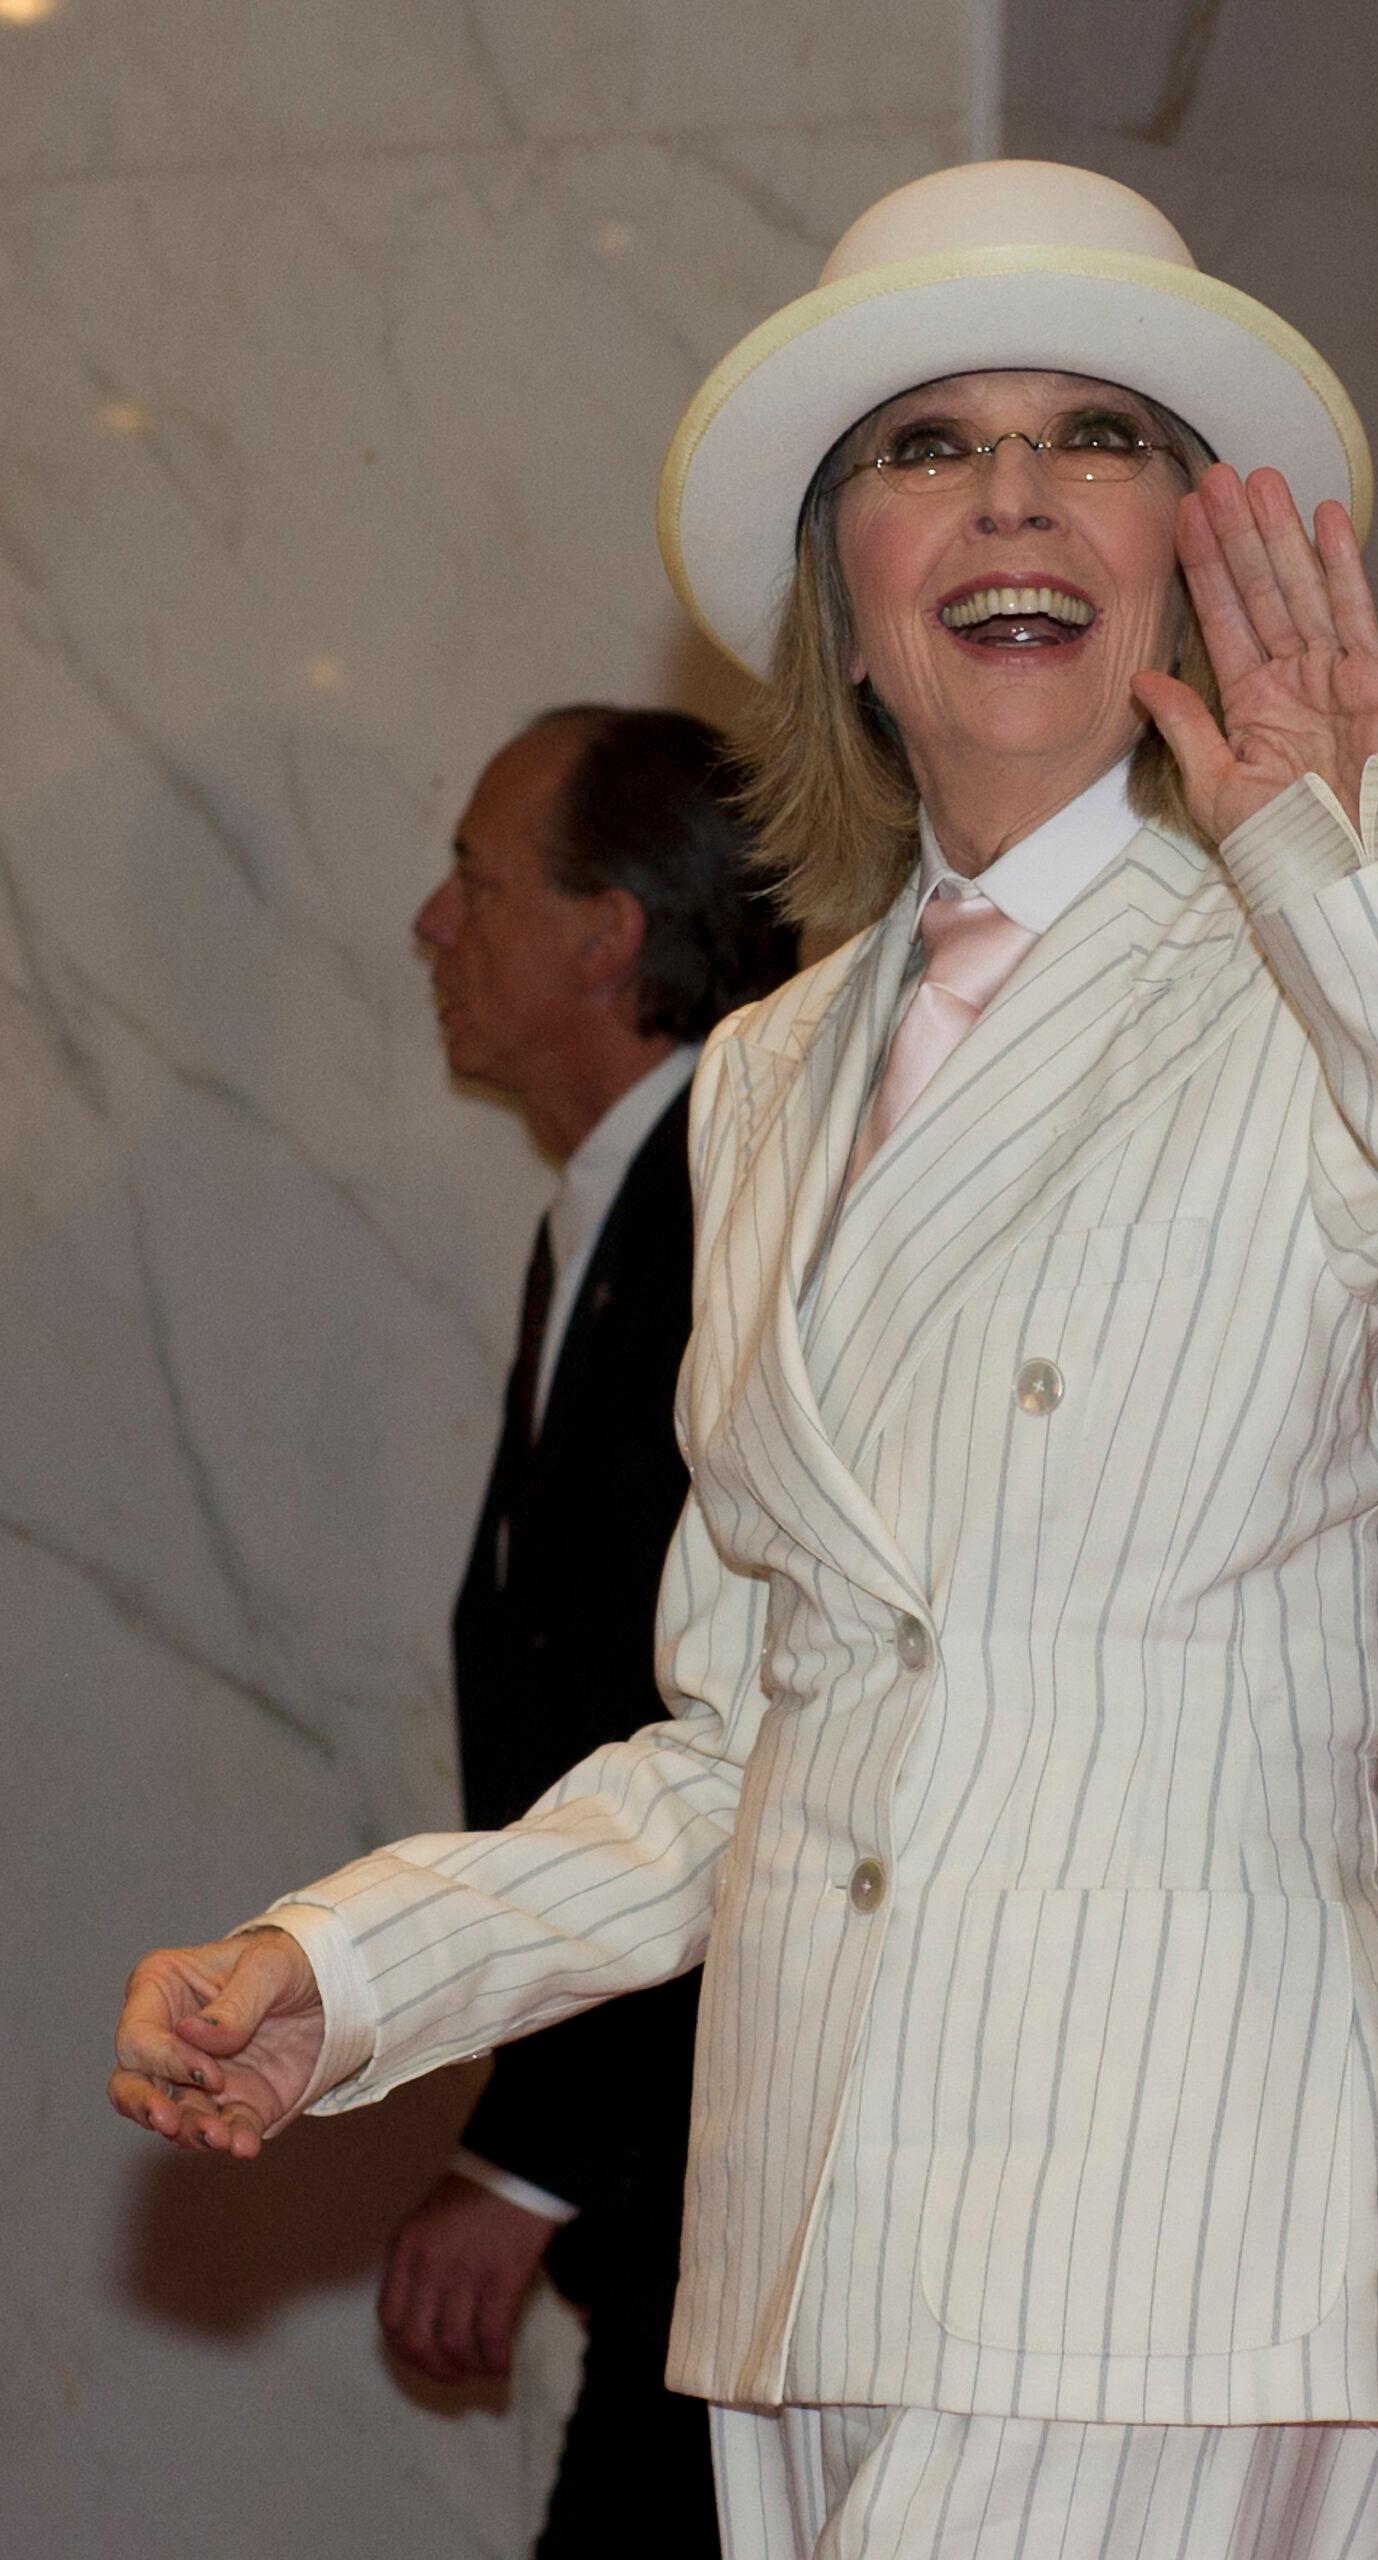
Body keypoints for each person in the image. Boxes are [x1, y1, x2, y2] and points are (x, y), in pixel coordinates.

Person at [111, 159, 1378, 2559]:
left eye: (1092, 432)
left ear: (1194, 540)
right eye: (923, 442)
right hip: (813, 2247)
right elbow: (747, 1735)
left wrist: (1350, 859)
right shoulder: (762, 1079)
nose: (1007, 492)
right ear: (843, 607)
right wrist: (344, 1969)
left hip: (1176, 2239)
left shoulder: (1368, 948)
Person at [381, 706, 792, 2550]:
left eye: (475, 880)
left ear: (608, 935)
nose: (429, 924)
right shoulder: (622, 1209)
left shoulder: (722, 1211)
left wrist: (536, 2153)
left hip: (742, 2185)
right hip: (687, 2192)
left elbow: (697, 1729)